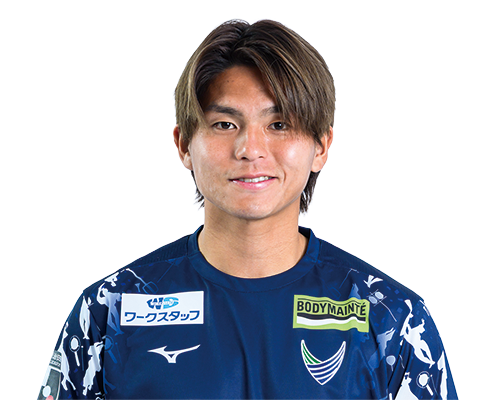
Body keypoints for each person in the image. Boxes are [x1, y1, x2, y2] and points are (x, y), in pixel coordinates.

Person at [38, 18, 458, 399]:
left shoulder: (391, 318)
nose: (250, 149)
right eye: (225, 124)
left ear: (321, 146)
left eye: (279, 124)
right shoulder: (110, 309)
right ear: (184, 145)